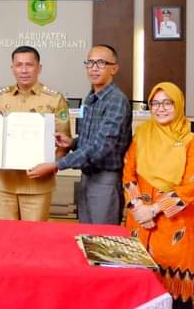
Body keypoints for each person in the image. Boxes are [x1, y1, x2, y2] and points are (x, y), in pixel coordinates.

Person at [123, 82, 194, 309]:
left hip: (174, 222)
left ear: (178, 105)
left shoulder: (191, 142)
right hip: (140, 220)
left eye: (167, 103)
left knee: (174, 291)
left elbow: (191, 185)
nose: (161, 108)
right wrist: (139, 207)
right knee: (140, 288)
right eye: (155, 103)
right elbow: (128, 172)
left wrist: (154, 209)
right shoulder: (142, 135)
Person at [30, 45, 132, 224]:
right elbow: (92, 140)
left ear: (114, 68)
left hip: (105, 180)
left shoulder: (116, 101)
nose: (94, 67)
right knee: (85, 233)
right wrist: (72, 143)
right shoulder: (91, 98)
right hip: (87, 176)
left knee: (102, 239)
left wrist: (56, 165)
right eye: (90, 62)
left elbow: (101, 148)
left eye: (101, 63)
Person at [0, 46, 71, 221]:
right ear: (12, 68)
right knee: (4, 237)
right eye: (19, 65)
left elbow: (64, 143)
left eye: (29, 65)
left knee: (34, 239)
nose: (24, 70)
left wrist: (51, 166)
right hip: (5, 182)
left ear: (39, 68)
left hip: (37, 185)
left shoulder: (54, 99)